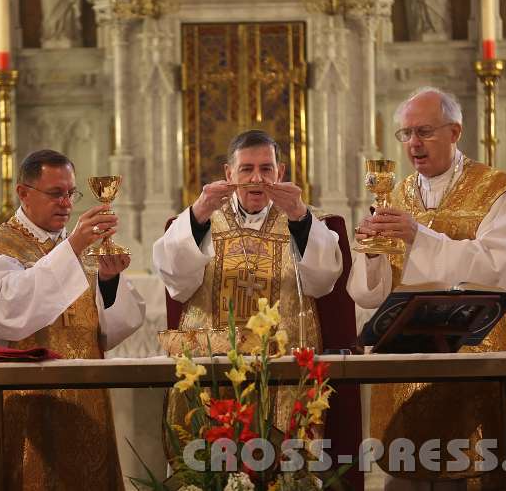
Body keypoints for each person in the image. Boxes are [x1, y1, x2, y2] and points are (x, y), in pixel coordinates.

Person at [347, 87, 506, 490]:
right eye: (406, 134)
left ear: (455, 131)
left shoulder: (498, 191)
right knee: (411, 472)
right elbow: (370, 294)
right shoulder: (395, 195)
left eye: (424, 131)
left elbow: (500, 270)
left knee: (483, 470)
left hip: (482, 349)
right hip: (410, 357)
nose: (413, 143)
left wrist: (418, 236)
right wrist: (372, 252)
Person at [153, 129, 363, 488]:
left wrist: (298, 214)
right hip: (215, 376)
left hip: (284, 375)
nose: (256, 178)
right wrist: (200, 210)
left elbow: (324, 279)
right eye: (246, 168)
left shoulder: (303, 220)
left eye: (266, 168)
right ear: (228, 173)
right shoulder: (199, 222)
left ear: (280, 173)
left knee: (286, 473)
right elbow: (176, 282)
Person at [0, 149, 145, 490]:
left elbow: (112, 330)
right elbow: (5, 317)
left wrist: (109, 281)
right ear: (24, 193)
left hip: (86, 399)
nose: (67, 204)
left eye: (71, 193)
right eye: (56, 193)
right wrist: (72, 247)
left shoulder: (81, 248)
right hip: (26, 401)